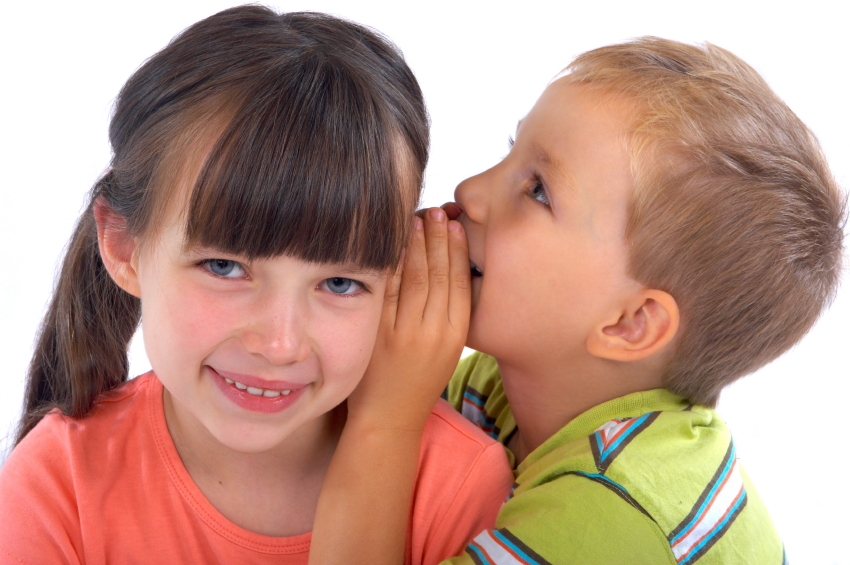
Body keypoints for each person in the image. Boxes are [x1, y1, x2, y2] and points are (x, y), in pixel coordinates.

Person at [0, 6, 512, 564]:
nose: (279, 344)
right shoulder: (60, 482)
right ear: (125, 247)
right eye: (224, 267)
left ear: (400, 276)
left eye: (340, 282)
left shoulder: (458, 485)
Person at [308, 37, 847, 564]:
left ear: (630, 324)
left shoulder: (615, 511)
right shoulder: (500, 387)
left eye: (538, 190)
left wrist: (388, 420)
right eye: (509, 151)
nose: (471, 190)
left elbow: (380, 425)